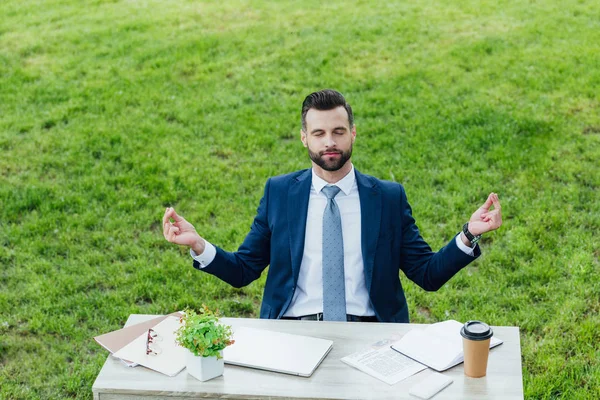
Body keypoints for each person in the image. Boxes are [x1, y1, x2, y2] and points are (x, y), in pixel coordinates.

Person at [163, 89, 502, 323]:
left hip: (372, 330)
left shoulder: (387, 197)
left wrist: (468, 234)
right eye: (319, 132)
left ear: (353, 133)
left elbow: (426, 274)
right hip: (294, 328)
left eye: (338, 131)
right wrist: (198, 244)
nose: (329, 142)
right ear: (304, 137)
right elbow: (243, 270)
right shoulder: (279, 193)